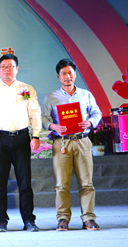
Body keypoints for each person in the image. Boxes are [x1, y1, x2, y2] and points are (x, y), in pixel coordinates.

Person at [0, 54, 42, 232]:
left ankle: (28, 220)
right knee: (0, 182)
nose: (7, 70)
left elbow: (35, 113)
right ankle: (1, 220)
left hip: (22, 138)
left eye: (10, 66)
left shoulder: (25, 89)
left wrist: (36, 135)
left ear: (17, 69)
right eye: (4, 67)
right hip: (0, 139)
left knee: (25, 182)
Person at [42, 59, 102, 231]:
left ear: (75, 74)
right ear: (58, 76)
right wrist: (53, 126)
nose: (67, 76)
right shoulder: (51, 97)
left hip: (82, 141)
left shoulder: (86, 95)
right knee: (61, 184)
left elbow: (96, 112)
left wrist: (90, 122)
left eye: (70, 73)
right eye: (64, 73)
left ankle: (88, 218)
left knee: (87, 183)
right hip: (62, 143)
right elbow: (44, 118)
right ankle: (62, 219)